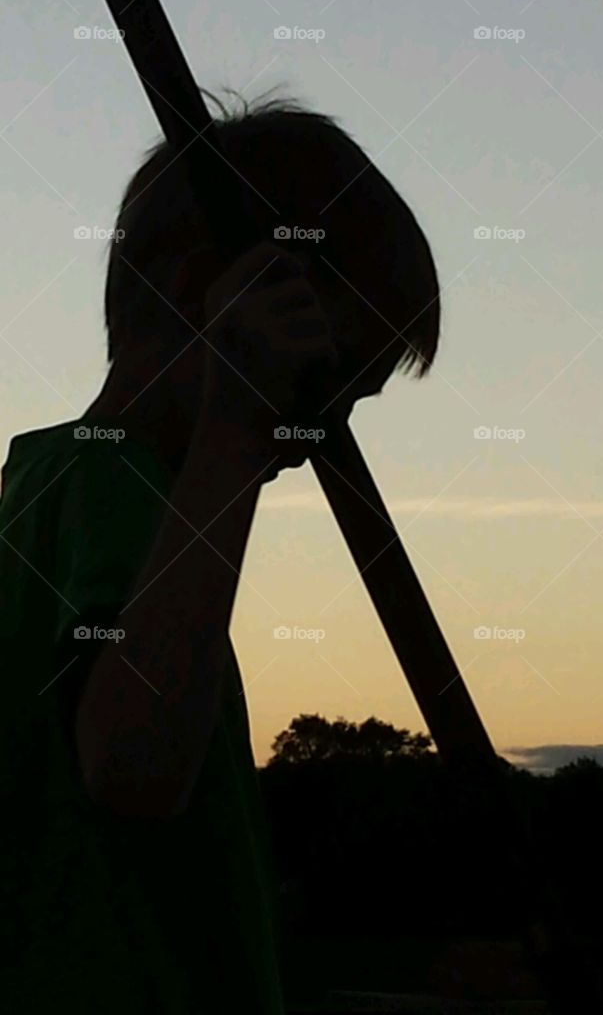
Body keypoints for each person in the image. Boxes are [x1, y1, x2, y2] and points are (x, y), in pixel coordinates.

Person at [0, 96, 441, 1013]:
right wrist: (235, 431)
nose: (325, 432)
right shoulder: (112, 484)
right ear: (215, 293)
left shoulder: (49, 482)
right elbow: (133, 766)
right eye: (328, 381)